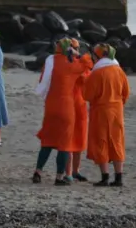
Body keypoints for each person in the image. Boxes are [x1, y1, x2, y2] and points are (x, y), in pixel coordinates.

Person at [32, 37, 93, 185]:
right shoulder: (72, 66)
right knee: (64, 144)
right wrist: (77, 55)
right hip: (66, 106)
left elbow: (44, 81)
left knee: (47, 142)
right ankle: (60, 177)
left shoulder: (51, 62)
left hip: (51, 104)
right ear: (70, 49)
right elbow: (88, 63)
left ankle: (38, 172)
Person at [83, 43, 130, 187]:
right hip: (117, 110)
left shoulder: (97, 73)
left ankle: (105, 176)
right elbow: (126, 93)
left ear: (99, 56)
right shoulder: (119, 70)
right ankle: (119, 177)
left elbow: (87, 95)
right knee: (116, 141)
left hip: (101, 110)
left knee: (101, 141)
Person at [65, 38, 92, 182]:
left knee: (78, 139)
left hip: (78, 104)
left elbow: (88, 73)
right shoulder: (71, 65)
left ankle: (74, 171)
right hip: (73, 104)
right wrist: (79, 57)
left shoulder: (73, 64)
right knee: (70, 140)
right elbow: (89, 66)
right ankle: (69, 171)